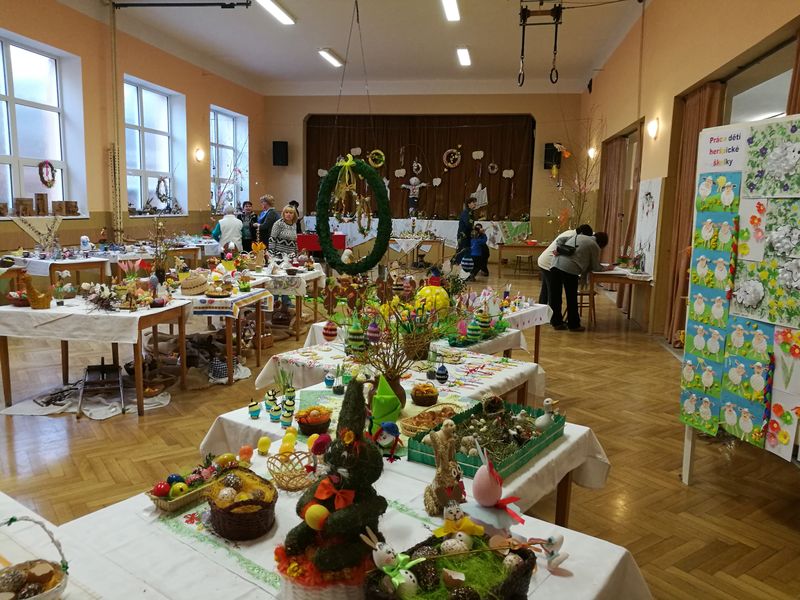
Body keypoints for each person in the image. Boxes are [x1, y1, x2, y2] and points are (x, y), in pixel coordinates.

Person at [549, 231, 613, 332]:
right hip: (570, 269)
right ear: (601, 243)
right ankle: (573, 325)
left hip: (555, 264)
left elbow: (560, 240)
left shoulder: (579, 236)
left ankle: (556, 323)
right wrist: (607, 268)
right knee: (571, 298)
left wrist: (559, 249)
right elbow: (595, 266)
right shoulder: (594, 246)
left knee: (555, 296)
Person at [537, 224, 594, 305]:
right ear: (581, 233)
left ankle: (542, 311)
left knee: (545, 292)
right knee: (554, 294)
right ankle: (552, 312)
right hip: (549, 263)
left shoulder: (570, 232)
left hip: (544, 260)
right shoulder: (573, 237)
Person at [269, 205, 300, 310]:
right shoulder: (278, 224)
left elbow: (294, 241)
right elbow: (272, 239)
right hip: (278, 256)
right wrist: (272, 255)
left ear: (294, 215)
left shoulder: (294, 225)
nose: (288, 215)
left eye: (291, 213)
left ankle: (286, 301)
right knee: (277, 278)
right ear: (283, 213)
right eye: (286, 212)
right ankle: (275, 301)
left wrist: (296, 254)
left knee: (287, 279)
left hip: (289, 257)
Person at [453, 197, 477, 264]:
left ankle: (463, 266)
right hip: (463, 235)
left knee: (466, 251)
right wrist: (476, 229)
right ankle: (453, 265)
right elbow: (468, 224)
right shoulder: (465, 213)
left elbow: (471, 225)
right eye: (473, 202)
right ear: (468, 204)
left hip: (468, 235)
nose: (475, 204)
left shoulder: (471, 213)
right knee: (461, 251)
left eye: (475, 202)